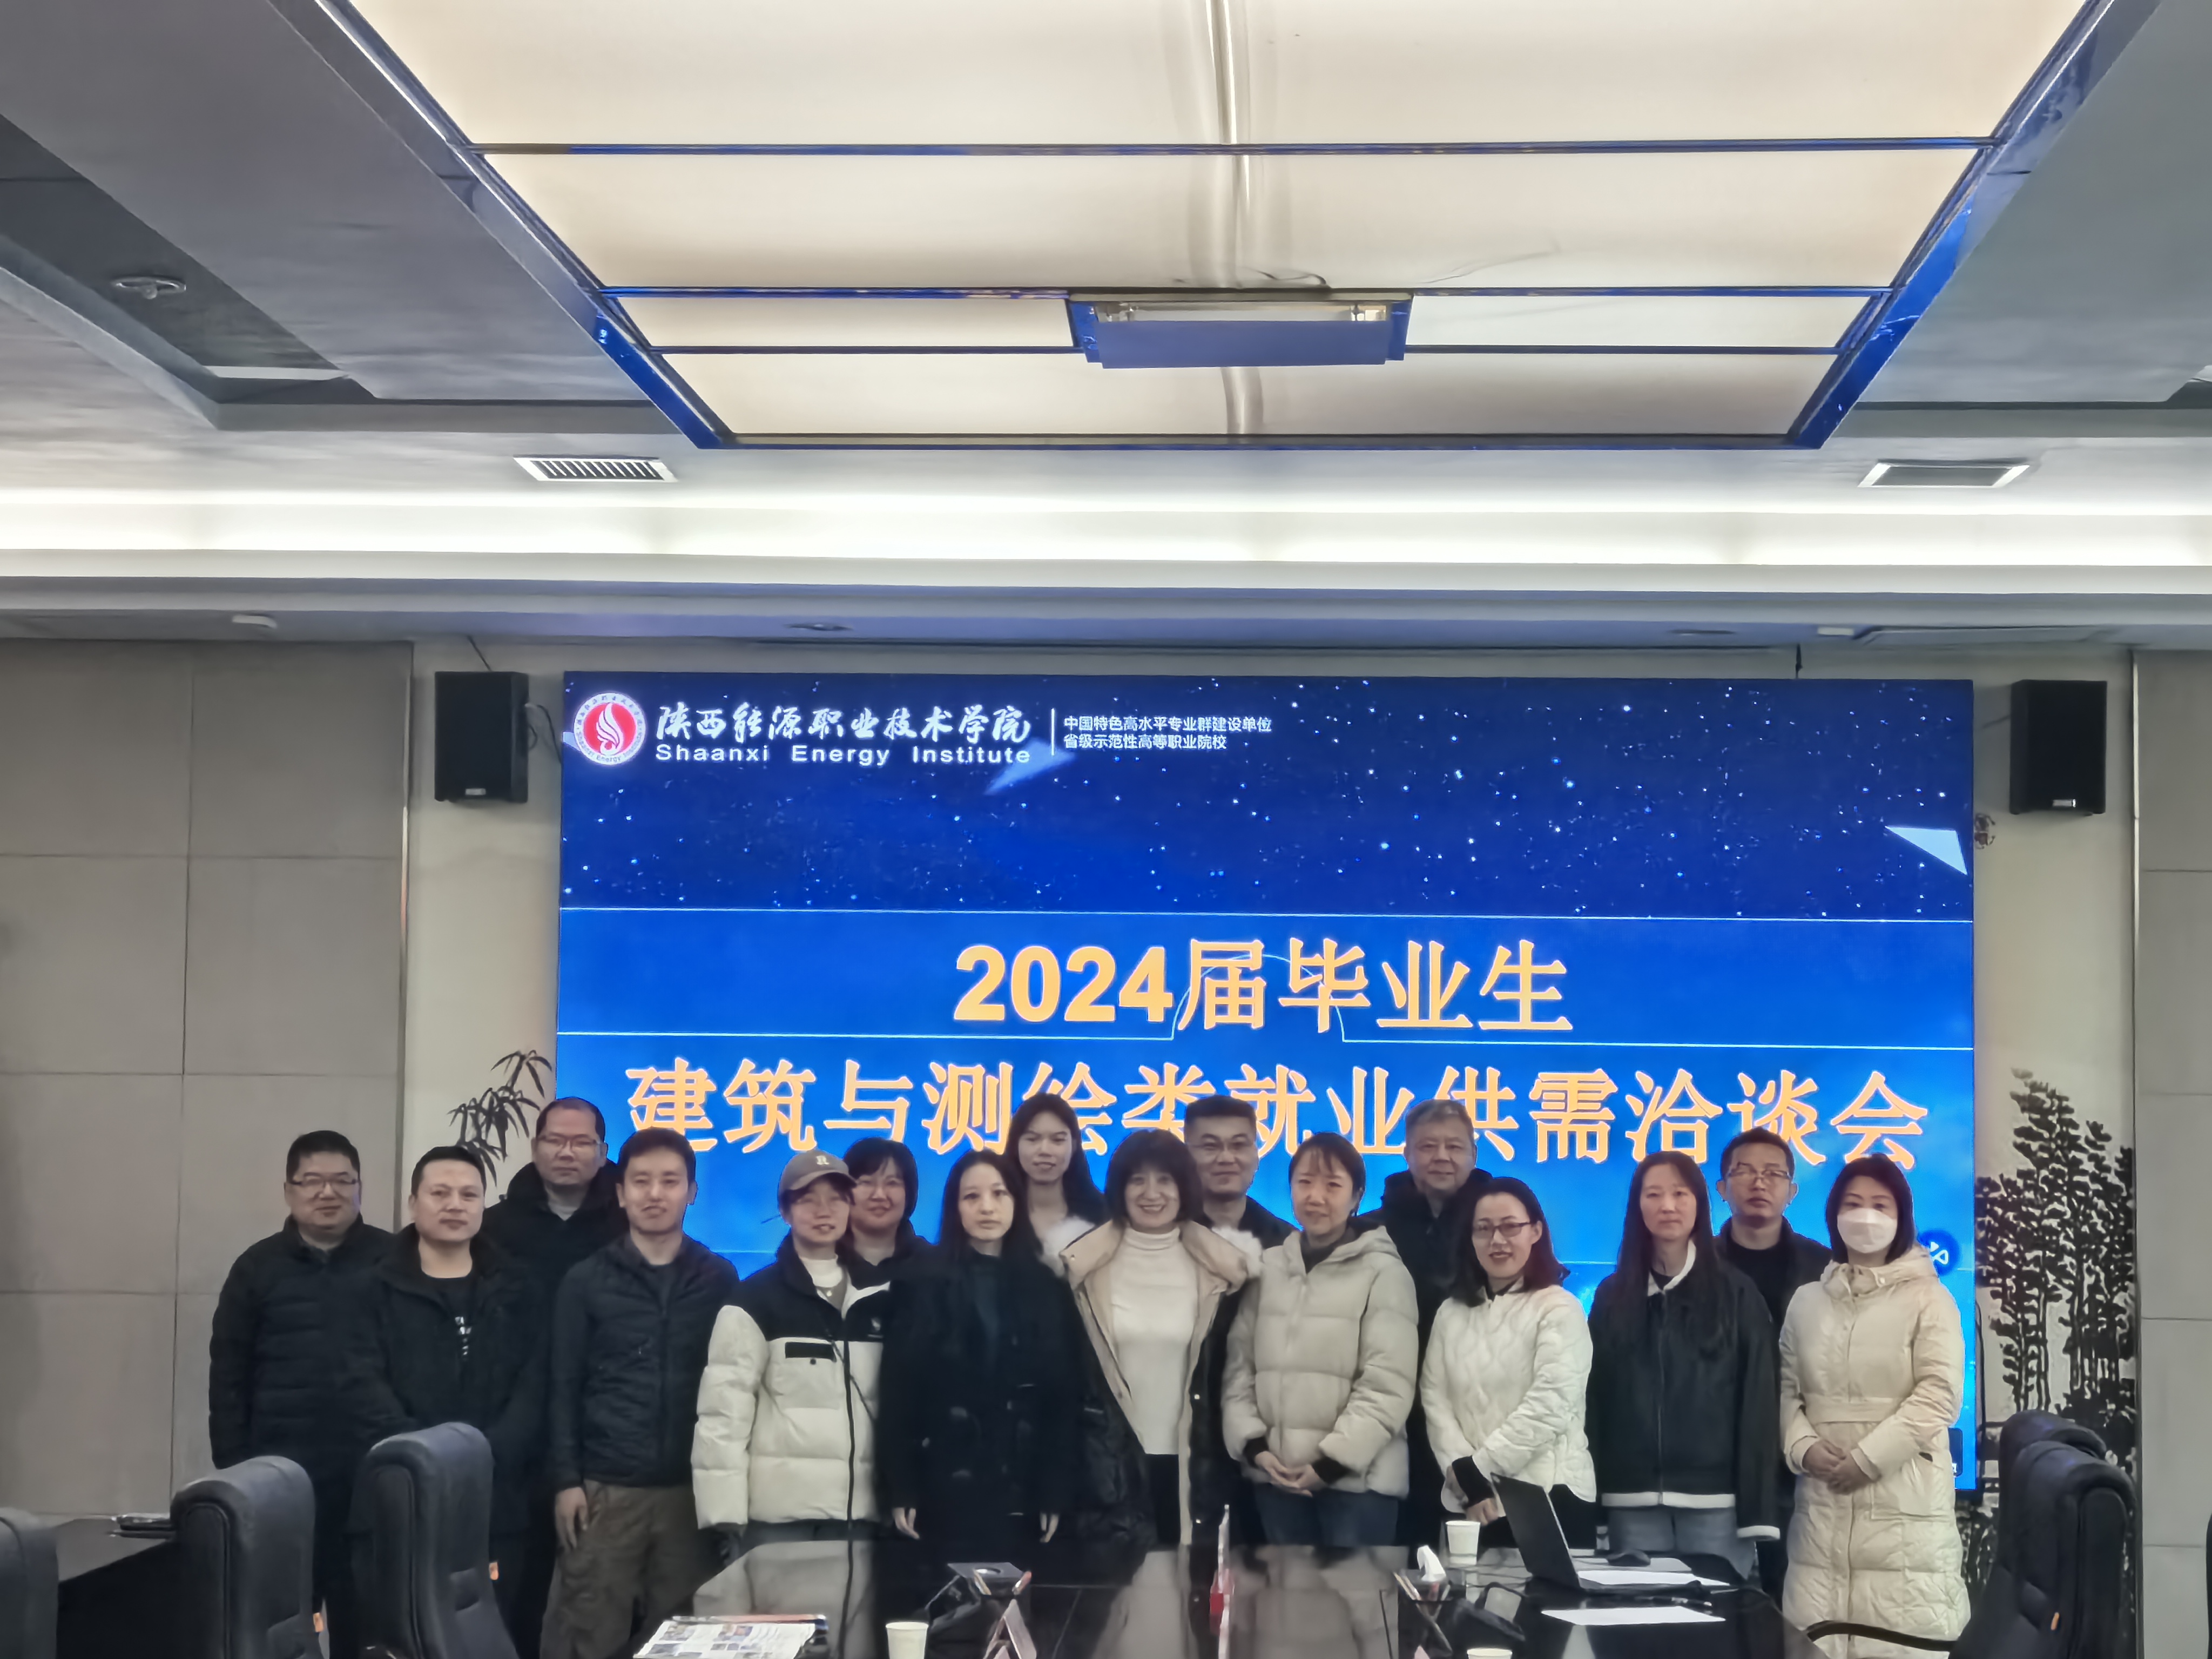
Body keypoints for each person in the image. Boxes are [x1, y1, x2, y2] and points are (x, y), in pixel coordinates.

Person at [543, 1129, 740, 1659]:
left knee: (686, 1641)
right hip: (605, 1490)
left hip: (689, 1493)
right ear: (620, 1192)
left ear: (692, 1192)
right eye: (641, 1181)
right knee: (586, 1634)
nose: (655, 1194)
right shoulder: (586, 1280)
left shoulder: (719, 1279)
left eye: (670, 1182)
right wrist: (566, 1481)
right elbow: (562, 1384)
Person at [348, 1146, 547, 1634]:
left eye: (468, 1195)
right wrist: (424, 1459)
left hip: (496, 1501)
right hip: (399, 1498)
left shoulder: (520, 1288)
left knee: (492, 1635)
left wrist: (484, 1457)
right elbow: (361, 1388)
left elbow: (535, 1385)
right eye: (440, 1193)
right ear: (413, 1202)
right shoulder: (368, 1290)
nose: (455, 1204)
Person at [208, 1130, 391, 1659]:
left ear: (360, 1187)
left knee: (369, 1622)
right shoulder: (256, 1267)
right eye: (312, 1181)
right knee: (284, 1623)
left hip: (369, 1477)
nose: (327, 1193)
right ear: (289, 1191)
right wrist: (238, 1470)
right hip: (282, 1478)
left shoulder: (394, 1260)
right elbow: (229, 1375)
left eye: (342, 1181)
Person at [1781, 1159, 1968, 1656]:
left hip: (1904, 1501)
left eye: (1880, 1206)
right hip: (1821, 1505)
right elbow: (1785, 1391)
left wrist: (1868, 1459)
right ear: (1833, 1215)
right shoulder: (1806, 1302)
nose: (1866, 1216)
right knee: (1816, 1639)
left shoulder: (1931, 1298)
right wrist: (1802, 1446)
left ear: (1901, 1217)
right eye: (1853, 1204)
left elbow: (1940, 1394)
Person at [1586, 1151, 1779, 1580]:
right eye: (1653, 1195)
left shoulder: (1736, 1294)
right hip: (1630, 1499)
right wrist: (1594, 1504)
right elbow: (1593, 1401)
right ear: (1638, 1206)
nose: (1668, 1206)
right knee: (1638, 1616)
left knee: (1717, 1617)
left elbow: (1759, 1404)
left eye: (1680, 1194)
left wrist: (1758, 1510)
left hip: (1716, 1503)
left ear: (1700, 1204)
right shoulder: (1612, 1296)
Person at [878, 1149, 1081, 1556]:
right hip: (942, 1485)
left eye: (999, 1194)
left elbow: (1063, 1398)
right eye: (972, 1197)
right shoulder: (921, 1282)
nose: (987, 1207)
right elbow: (898, 1395)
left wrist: (1055, 1489)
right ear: (955, 1207)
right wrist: (901, 1486)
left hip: (1025, 1486)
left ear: (1017, 1202)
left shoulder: (1047, 1286)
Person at [481, 1098, 627, 1650]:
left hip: (603, 1438)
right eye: (555, 1141)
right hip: (513, 1440)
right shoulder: (492, 1229)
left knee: (599, 1603)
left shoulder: (627, 1226)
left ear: (603, 1152)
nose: (568, 1152)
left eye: (582, 1142)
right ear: (535, 1147)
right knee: (514, 1597)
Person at [1223, 1133, 1418, 1547]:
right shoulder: (1268, 1267)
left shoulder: (1384, 1272)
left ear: (1357, 1196)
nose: (1316, 1197)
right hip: (1277, 1480)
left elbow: (1388, 1384)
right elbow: (1239, 1368)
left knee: (1356, 1592)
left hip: (1357, 1487)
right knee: (1286, 1591)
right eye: (1305, 1182)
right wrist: (1254, 1447)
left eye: (1333, 1185)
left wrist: (1331, 1464)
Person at [1062, 1130, 1253, 1548]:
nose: (1152, 1193)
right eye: (1138, 1180)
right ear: (1119, 1189)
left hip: (1193, 1465)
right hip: (1107, 1467)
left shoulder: (1223, 1271)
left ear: (1184, 1187)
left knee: (1188, 1584)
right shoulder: (1080, 1269)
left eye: (1165, 1180)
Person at [693, 1151, 890, 1551]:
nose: (823, 1210)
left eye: (836, 1198)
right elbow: (723, 1414)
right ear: (785, 1211)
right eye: (807, 1199)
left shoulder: (882, 1297)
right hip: (779, 1521)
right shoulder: (753, 1300)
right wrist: (725, 1515)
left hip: (863, 1516)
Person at [1418, 1177, 1596, 1549]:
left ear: (1536, 1231)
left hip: (1548, 1494)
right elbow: (1435, 1401)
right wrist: (1465, 1478)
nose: (1497, 1240)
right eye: (1483, 1229)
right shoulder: (1451, 1312)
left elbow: (1551, 1404)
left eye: (1510, 1227)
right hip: (1471, 1501)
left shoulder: (1560, 1308)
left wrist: (1478, 1469)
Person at [1712, 1127, 1832, 1597]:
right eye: (1743, 1172)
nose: (1758, 1183)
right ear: (1722, 1189)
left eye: (1773, 1174)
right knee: (1720, 1599)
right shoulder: (1698, 1264)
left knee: (1795, 1595)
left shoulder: (1825, 1268)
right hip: (1719, 1456)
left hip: (1799, 1456)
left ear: (1792, 1191)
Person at [1363, 1098, 1488, 1547]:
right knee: (1401, 1556)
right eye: (1428, 1146)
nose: (1442, 1157)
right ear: (1406, 1153)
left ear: (1473, 1154)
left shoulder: (1497, 1225)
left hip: (1478, 1413)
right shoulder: (1371, 1231)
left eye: (1454, 1147)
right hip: (1392, 1416)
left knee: (1484, 1560)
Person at [1185, 1095, 1294, 1262]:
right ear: (1187, 1155)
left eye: (1238, 1145)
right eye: (1210, 1146)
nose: (1226, 1158)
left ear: (1256, 1155)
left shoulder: (1287, 1243)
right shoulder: (1163, 1236)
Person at [1007, 1093, 1107, 1265]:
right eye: (1032, 1139)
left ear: (1074, 1146)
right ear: (1016, 1145)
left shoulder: (1102, 1217)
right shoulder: (997, 1213)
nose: (1045, 1150)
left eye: (1058, 1140)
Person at [843, 1136, 931, 1285]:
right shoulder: (820, 1260)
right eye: (866, 1183)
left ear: (909, 1193)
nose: (879, 1195)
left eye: (892, 1183)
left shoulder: (933, 1265)